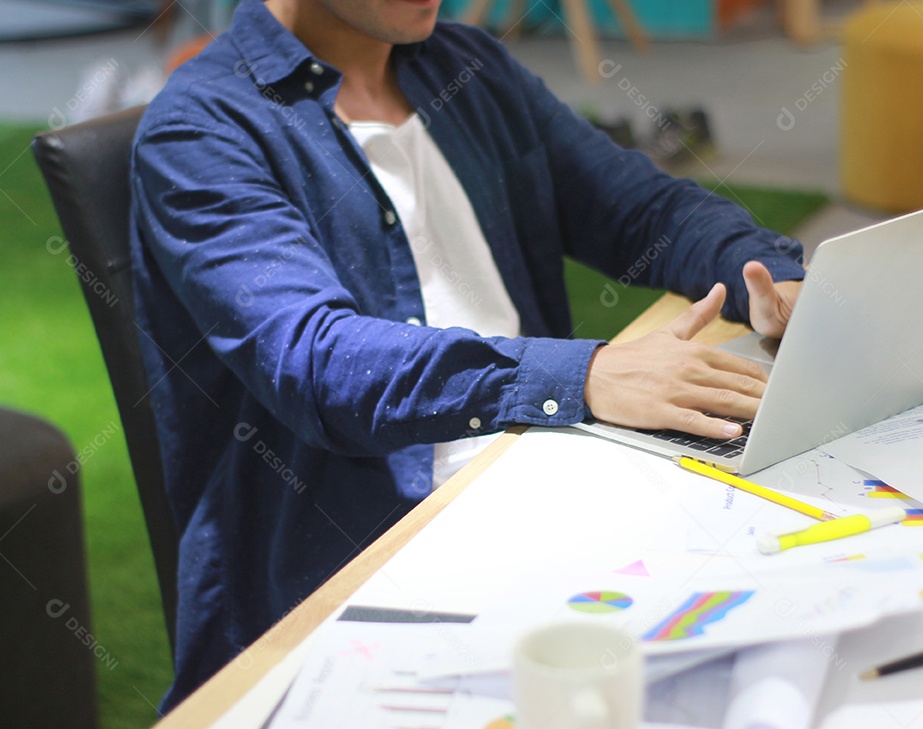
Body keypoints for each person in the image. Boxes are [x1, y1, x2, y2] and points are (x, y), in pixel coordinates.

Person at [130, 0, 805, 711]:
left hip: (546, 469)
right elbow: (320, 363)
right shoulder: (199, 130)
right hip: (367, 561)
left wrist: (767, 275)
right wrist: (585, 374)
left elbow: (640, 209)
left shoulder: (467, 69)